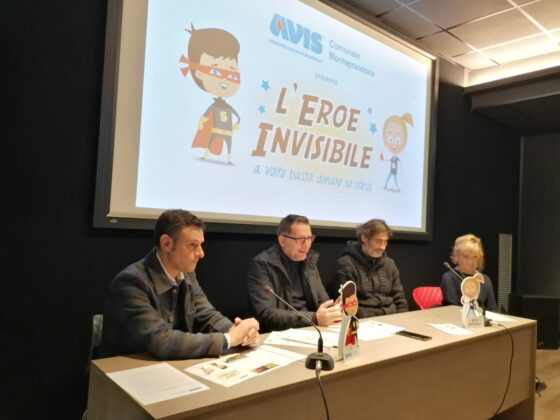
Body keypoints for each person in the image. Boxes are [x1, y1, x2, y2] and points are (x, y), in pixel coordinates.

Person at [101, 209, 259, 359]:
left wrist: (239, 331)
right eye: (192, 245)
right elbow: (160, 341)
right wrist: (229, 339)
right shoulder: (130, 282)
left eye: (201, 245)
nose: (201, 253)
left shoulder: (186, 273)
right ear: (166, 243)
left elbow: (207, 315)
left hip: (167, 364)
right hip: (126, 369)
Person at [247, 214, 342, 332]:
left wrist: (334, 309)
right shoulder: (262, 265)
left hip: (313, 328)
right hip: (281, 333)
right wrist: (314, 318)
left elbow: (322, 300)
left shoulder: (309, 261)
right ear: (282, 240)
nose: (307, 245)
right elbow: (267, 314)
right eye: (301, 239)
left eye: (309, 238)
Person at [335, 219, 408, 317]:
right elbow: (348, 306)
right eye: (378, 241)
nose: (383, 247)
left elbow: (400, 299)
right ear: (364, 237)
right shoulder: (346, 264)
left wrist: (402, 319)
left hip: (392, 318)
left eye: (385, 242)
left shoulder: (389, 264)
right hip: (364, 320)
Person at [441, 233, 498, 311]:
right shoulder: (449, 278)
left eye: (475, 257)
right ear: (456, 256)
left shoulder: (485, 280)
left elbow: (493, 309)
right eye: (466, 257)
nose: (471, 262)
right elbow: (452, 309)